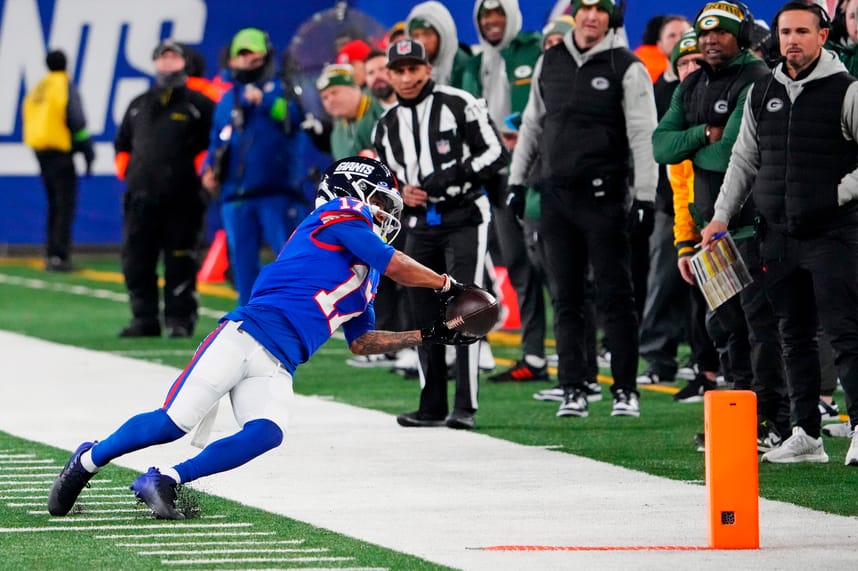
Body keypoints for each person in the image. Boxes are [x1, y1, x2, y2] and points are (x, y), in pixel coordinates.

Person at [47, 156, 479, 520]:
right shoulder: (339, 215)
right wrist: (447, 285)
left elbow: (361, 341)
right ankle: (87, 460)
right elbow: (397, 262)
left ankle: (165, 480)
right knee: (171, 423)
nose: (387, 214)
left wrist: (427, 334)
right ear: (352, 191)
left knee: (267, 432)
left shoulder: (367, 279)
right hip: (244, 336)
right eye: (381, 201)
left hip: (280, 362)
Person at [700, 1, 858, 465]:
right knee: (793, 335)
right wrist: (720, 217)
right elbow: (745, 160)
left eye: (802, 31)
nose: (791, 39)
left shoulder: (847, 91)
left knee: (847, 334)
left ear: (823, 36)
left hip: (834, 233)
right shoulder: (761, 89)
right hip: (778, 235)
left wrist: (836, 194)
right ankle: (806, 433)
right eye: (785, 31)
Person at [507, 0, 658, 418]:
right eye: (585, 6)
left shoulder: (626, 66)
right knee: (566, 297)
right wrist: (516, 182)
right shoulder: (550, 60)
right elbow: (533, 125)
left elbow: (644, 136)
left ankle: (625, 390)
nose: (592, 15)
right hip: (555, 198)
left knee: (615, 296)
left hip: (605, 198)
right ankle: (573, 386)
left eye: (602, 9)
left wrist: (645, 195)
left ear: (614, 18)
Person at [373, 38, 508, 430]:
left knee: (468, 306)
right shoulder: (387, 125)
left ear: (428, 69)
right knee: (421, 312)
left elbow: (495, 153)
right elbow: (385, 182)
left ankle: (465, 405)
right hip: (419, 223)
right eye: (399, 70)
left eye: (414, 69)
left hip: (464, 215)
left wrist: (453, 175)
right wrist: (402, 194)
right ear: (390, 75)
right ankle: (431, 404)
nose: (407, 77)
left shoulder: (457, 103)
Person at [652, 1, 781, 410]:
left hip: (752, 227)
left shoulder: (757, 79)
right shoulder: (690, 85)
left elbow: (730, 156)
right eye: (704, 34)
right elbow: (660, 146)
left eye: (720, 33)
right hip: (713, 231)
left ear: (740, 37)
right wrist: (704, 134)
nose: (710, 41)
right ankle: (743, 419)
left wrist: (690, 146)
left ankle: (775, 419)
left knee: (760, 329)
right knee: (727, 330)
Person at [457, 0, 548, 383]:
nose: (491, 21)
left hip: (533, 175)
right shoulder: (477, 63)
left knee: (548, 267)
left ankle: (568, 360)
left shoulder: (536, 48)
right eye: (484, 16)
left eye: (498, 13)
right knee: (516, 266)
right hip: (493, 179)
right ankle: (531, 355)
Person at [114, 40, 214, 338]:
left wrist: (199, 176)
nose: (167, 62)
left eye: (173, 57)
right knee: (136, 260)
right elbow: (122, 144)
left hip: (182, 198)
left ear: (183, 62)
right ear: (155, 63)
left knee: (180, 260)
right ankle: (144, 318)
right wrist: (131, 174)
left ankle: (180, 320)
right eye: (162, 57)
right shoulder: (139, 104)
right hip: (141, 198)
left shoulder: (200, 105)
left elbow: (215, 146)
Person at [201, 28, 309, 307]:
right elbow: (217, 139)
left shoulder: (283, 87)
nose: (248, 59)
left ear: (266, 54)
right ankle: (248, 317)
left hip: (276, 191)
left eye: (252, 52)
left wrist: (267, 103)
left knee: (289, 258)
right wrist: (208, 169)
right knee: (242, 263)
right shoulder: (228, 98)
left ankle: (301, 312)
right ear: (233, 59)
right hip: (235, 195)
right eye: (242, 53)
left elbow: (295, 118)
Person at [22, 49, 95, 273]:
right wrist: (87, 150)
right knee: (64, 205)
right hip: (60, 153)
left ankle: (51, 253)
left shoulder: (38, 88)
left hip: (40, 151)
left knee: (54, 205)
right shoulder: (63, 84)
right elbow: (76, 119)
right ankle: (59, 256)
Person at [316, 63, 384, 160]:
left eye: (334, 92)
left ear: (354, 89)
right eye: (324, 98)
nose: (330, 100)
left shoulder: (380, 105)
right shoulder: (337, 133)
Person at [406, 1, 473, 88]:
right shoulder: (408, 71)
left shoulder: (468, 70)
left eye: (427, 34)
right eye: (415, 36)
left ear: (444, 35)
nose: (421, 42)